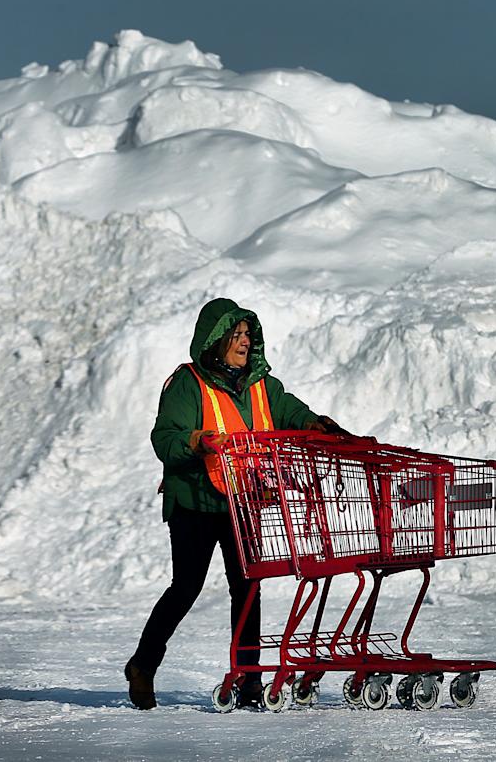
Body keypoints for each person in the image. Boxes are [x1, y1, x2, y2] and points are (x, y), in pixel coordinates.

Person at [124, 297, 343, 710]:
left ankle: (249, 680)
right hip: (195, 500)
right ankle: (143, 664)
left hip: (244, 500)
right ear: (217, 339)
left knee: (248, 588)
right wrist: (195, 441)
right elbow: (164, 438)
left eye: (248, 335)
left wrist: (313, 423)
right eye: (236, 335)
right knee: (186, 587)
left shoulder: (261, 384)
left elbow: (288, 410)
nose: (244, 342)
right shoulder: (188, 383)